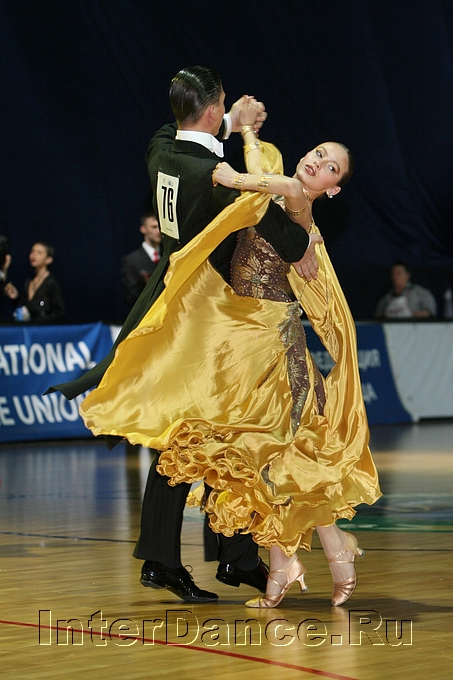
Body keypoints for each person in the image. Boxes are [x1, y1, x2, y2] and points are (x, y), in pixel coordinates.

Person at [78, 103, 381, 608]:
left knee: (257, 445)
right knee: (240, 445)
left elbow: (263, 184)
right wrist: (242, 131)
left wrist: (234, 166)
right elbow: (259, 179)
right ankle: (289, 556)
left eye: (330, 165)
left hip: (266, 338)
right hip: (236, 330)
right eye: (317, 152)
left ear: (333, 188)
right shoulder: (284, 197)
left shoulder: (292, 198)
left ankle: (288, 556)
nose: (317, 161)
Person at [49, 66, 322, 603]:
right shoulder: (214, 178)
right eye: (224, 106)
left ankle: (222, 555)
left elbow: (178, 133)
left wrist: (230, 123)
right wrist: (304, 237)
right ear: (214, 108)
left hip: (177, 305)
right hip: (207, 318)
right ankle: (180, 558)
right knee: (204, 432)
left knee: (209, 430)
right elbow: (277, 229)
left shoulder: (162, 150)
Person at [4, 241, 65, 324]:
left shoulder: (51, 283)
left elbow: (58, 313)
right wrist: (16, 298)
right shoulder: (29, 281)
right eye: (32, 252)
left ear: (48, 259)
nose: (34, 255)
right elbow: (26, 308)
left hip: (43, 328)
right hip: (29, 327)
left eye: (39, 253)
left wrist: (38, 321)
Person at [122, 213, 162, 308]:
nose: (158, 231)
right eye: (154, 227)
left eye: (160, 227)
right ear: (143, 229)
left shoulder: (169, 256)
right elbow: (132, 296)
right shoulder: (131, 260)